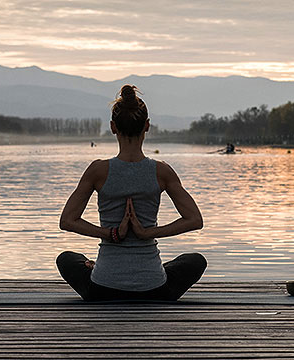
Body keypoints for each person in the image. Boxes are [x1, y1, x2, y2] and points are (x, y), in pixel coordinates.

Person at [57, 85, 206, 302]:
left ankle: (97, 267)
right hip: (155, 289)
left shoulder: (98, 170)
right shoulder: (162, 171)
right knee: (195, 260)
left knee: (67, 259)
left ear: (112, 127)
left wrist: (110, 234)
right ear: (147, 126)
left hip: (102, 289)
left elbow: (67, 220)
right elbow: (195, 220)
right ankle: (149, 270)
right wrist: (148, 234)